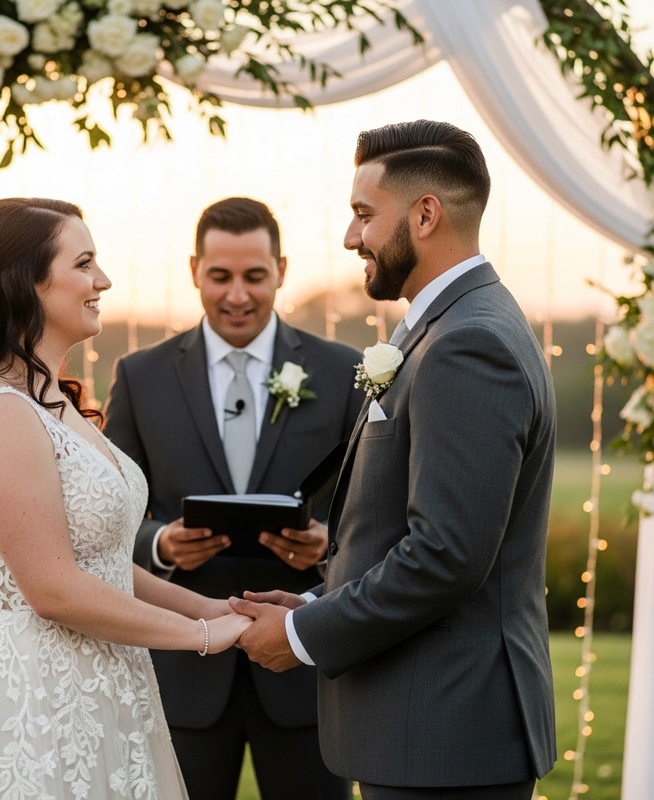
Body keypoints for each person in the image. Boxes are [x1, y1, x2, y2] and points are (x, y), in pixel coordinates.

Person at [0, 197, 250, 800]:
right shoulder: (0, 411)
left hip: (103, 681)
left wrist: (212, 609)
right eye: (84, 263)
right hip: (34, 694)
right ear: (28, 282)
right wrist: (200, 639)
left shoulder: (55, 404)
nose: (104, 281)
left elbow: (101, 564)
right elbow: (51, 588)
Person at [231, 120, 558, 800]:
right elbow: (404, 531)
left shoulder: (470, 345)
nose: (351, 238)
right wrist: (322, 597)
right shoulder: (457, 326)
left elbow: (445, 554)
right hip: (425, 727)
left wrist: (299, 633)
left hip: (446, 733)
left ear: (426, 213)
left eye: (362, 215)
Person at [102, 196, 361, 800]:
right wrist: (160, 544)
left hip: (306, 665)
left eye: (254, 276)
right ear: (195, 270)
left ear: (282, 270)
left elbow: (369, 507)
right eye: (220, 276)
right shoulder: (141, 376)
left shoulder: (341, 370)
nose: (237, 295)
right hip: (184, 661)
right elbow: (112, 511)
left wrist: (328, 546)